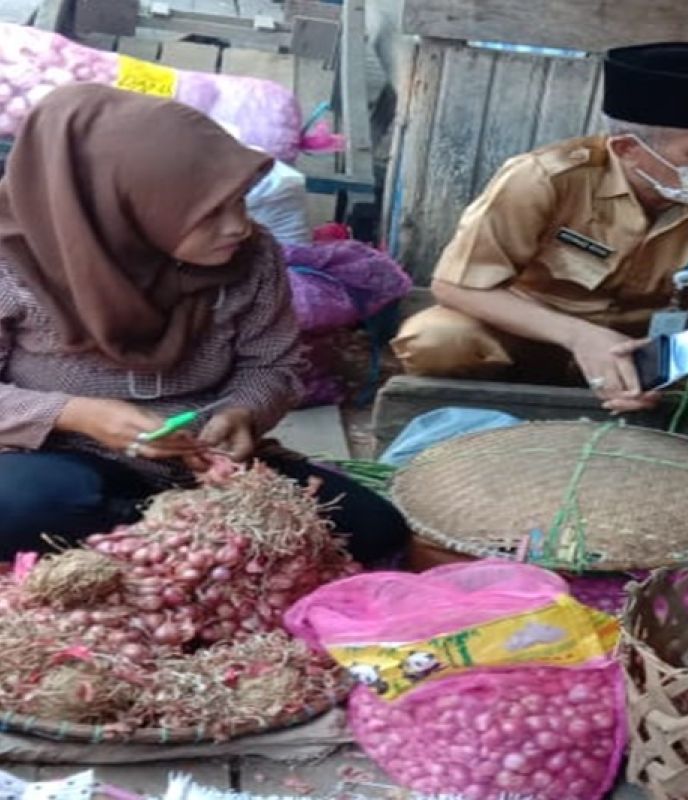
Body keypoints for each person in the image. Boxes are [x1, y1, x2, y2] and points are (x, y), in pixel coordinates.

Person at [0, 85, 406, 566]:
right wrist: (78, 414)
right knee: (26, 505)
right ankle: (172, 545)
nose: (238, 226)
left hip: (200, 464)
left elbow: (272, 364)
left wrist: (241, 415)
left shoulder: (252, 258)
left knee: (378, 532)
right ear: (125, 206)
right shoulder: (14, 264)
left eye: (240, 202)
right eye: (209, 213)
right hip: (56, 457)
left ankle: (161, 546)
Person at [393, 42, 688, 413]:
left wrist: (674, 356)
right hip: (532, 338)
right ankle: (505, 408)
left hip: (646, 353)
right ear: (628, 149)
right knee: (435, 340)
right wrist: (579, 337)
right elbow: (456, 285)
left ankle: (644, 404)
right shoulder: (545, 177)